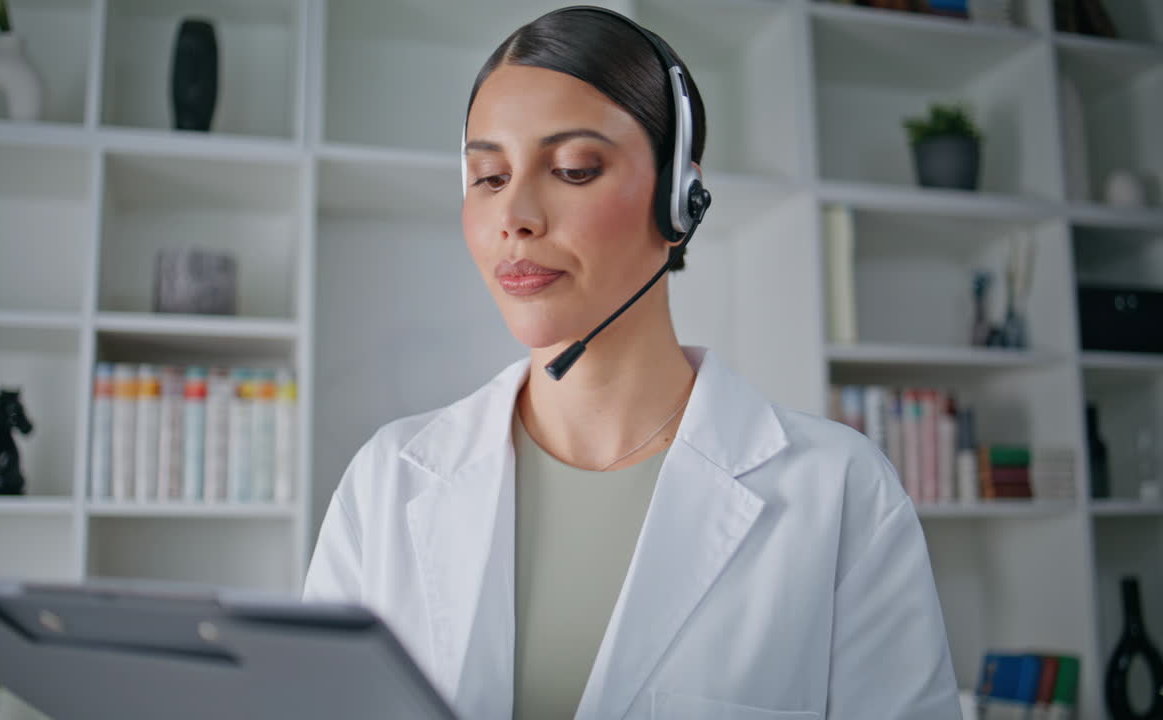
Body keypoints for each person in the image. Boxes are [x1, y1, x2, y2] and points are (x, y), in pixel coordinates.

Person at [304, 7, 960, 719]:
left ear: (682, 199)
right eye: (488, 176)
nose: (514, 215)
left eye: (573, 169)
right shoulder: (386, 482)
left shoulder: (841, 493)